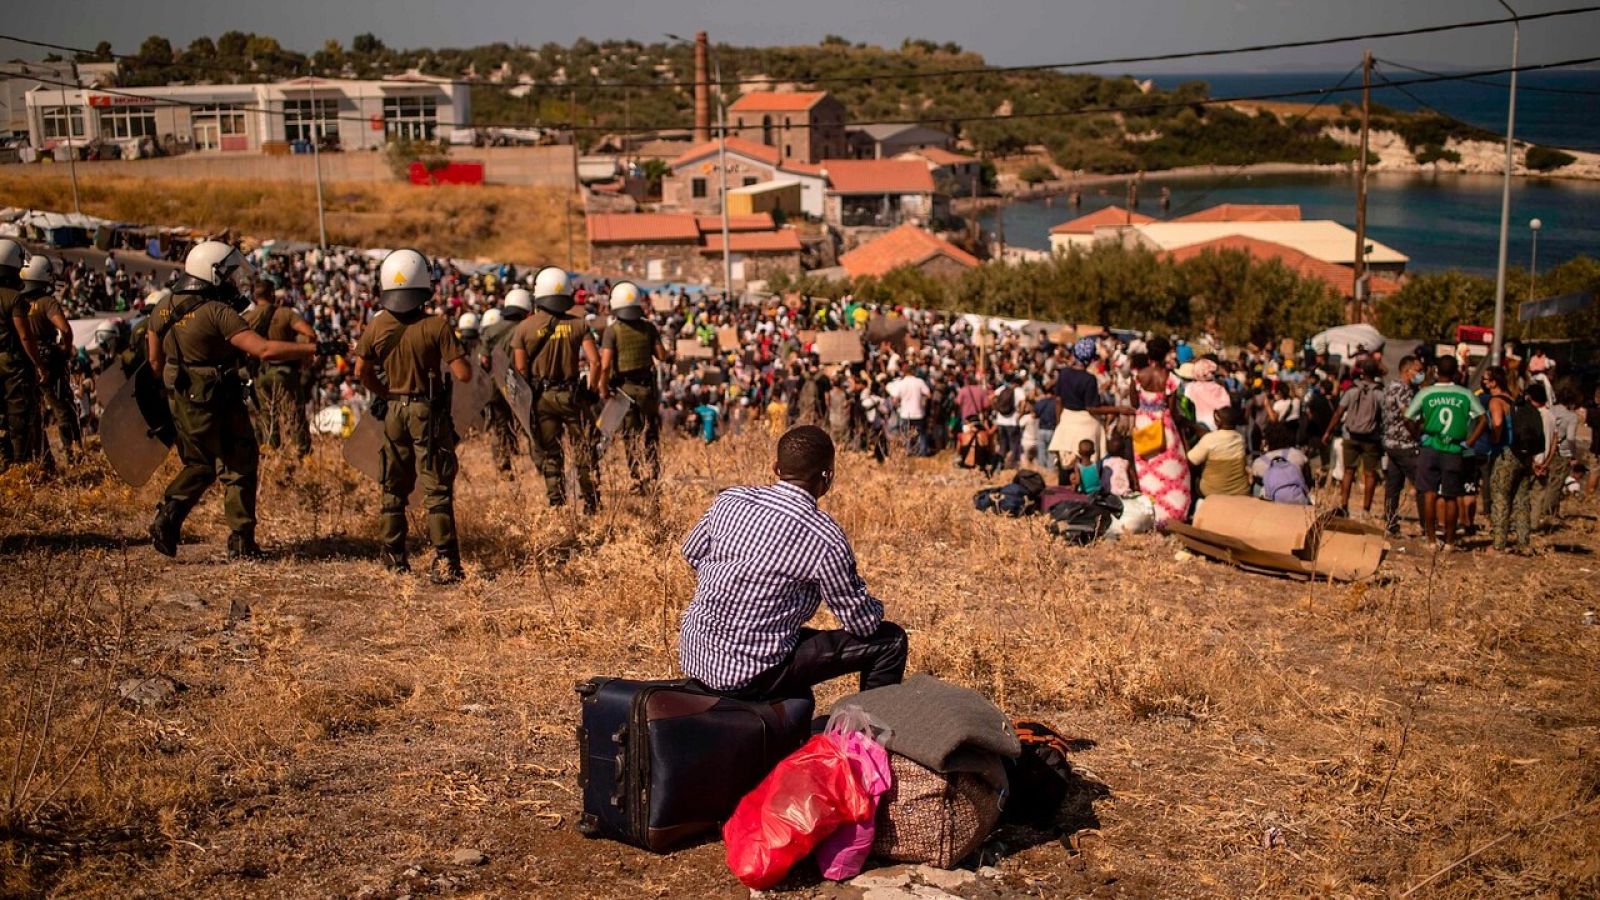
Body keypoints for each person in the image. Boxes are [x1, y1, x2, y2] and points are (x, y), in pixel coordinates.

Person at [678, 425, 907, 699]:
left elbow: (692, 553)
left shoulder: (729, 500)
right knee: (891, 640)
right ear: (827, 476)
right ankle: (870, 724)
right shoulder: (824, 536)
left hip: (696, 655)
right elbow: (861, 623)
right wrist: (876, 607)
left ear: (776, 468)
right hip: (754, 673)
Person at [147, 240, 323, 561]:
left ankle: (168, 515)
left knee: (199, 464)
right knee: (240, 463)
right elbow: (264, 350)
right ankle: (241, 540)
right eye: (228, 274)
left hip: (181, 400)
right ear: (212, 273)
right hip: (219, 398)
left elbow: (155, 362)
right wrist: (313, 349)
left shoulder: (162, 307)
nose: (232, 280)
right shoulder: (218, 312)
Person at [353, 248, 473, 582]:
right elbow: (463, 374)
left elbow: (361, 371)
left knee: (393, 484)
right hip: (427, 411)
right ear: (423, 283)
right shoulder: (436, 325)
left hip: (394, 410)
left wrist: (385, 392)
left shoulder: (376, 325)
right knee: (436, 487)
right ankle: (446, 562)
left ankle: (394, 557)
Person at [512, 266, 600, 512]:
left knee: (551, 452)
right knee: (583, 449)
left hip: (541, 398)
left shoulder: (524, 329)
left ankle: (556, 501)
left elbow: (520, 369)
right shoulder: (579, 325)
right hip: (571, 397)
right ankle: (590, 501)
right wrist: (591, 390)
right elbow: (595, 362)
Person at [1405, 355, 1485, 550]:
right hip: (1454, 449)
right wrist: (1470, 442)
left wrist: (1417, 436)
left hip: (1430, 447)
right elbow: (1483, 419)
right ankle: (1450, 541)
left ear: (1436, 371)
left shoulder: (1426, 393)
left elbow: (1407, 418)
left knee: (1429, 494)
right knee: (1451, 496)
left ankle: (1431, 540)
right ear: (1456, 372)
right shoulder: (1465, 394)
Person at [598, 281, 668, 491]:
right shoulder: (648, 327)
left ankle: (636, 477)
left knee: (630, 436)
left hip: (624, 391)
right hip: (646, 389)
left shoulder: (612, 331)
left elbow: (606, 364)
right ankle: (654, 473)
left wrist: (603, 388)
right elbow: (661, 355)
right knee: (651, 432)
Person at [18, 255, 81, 464]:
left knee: (34, 411)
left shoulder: (21, 303)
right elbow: (65, 329)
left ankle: (41, 459)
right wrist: (65, 348)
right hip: (50, 360)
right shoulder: (47, 302)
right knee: (63, 408)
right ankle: (72, 453)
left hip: (28, 359)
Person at [243, 280, 316, 457]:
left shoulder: (248, 317)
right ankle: (302, 453)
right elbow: (310, 333)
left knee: (267, 415)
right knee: (295, 413)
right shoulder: (285, 313)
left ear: (255, 296)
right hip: (284, 371)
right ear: (272, 294)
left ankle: (271, 453)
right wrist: (305, 357)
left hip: (260, 373)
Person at [1131, 337, 1191, 525]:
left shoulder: (1138, 376)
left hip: (1143, 425)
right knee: (1171, 468)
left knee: (1146, 469)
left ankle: (1151, 511)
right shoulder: (1170, 378)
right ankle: (1173, 512)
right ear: (1165, 354)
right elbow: (1172, 410)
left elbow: (1134, 402)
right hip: (1163, 426)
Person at [0, 240, 47, 468]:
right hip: (11, 363)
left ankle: (3, 459)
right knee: (18, 412)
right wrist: (38, 364)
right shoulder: (14, 298)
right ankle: (19, 463)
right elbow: (25, 336)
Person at [1322, 359, 1385, 518]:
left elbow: (1339, 412)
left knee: (1348, 471)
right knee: (1370, 474)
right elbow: (1385, 415)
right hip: (1371, 438)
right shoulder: (1379, 393)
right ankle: (1366, 510)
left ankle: (1344, 505)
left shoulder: (1352, 390)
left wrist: (1328, 432)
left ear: (1361, 372)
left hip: (1350, 436)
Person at [479, 289, 532, 475]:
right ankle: (539, 462)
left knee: (500, 425)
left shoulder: (491, 330)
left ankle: (503, 463)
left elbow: (484, 360)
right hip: (522, 384)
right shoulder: (528, 328)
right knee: (529, 425)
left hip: (496, 385)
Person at [1381, 355, 1423, 535]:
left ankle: (1391, 523)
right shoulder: (1405, 390)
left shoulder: (1390, 386)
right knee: (1421, 484)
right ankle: (1427, 525)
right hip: (1405, 444)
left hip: (1390, 442)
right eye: (1418, 371)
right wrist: (1417, 434)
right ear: (1407, 370)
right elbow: (1408, 417)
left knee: (1393, 485)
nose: (1420, 374)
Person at [1186, 406, 1251, 499]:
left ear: (1218, 422)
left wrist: (1183, 440)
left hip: (1212, 492)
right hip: (1240, 491)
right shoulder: (1240, 439)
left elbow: (1189, 462)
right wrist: (1193, 426)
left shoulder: (1209, 439)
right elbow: (1217, 438)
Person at [1252, 422, 1312, 505]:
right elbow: (1308, 479)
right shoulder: (1298, 454)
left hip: (1274, 501)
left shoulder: (1259, 462)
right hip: (1299, 499)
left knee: (1257, 486)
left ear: (1266, 441)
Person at [886, 368, 931, 457]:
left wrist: (898, 404)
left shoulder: (901, 383)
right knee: (921, 433)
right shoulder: (919, 382)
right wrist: (922, 402)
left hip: (905, 413)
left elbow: (894, 399)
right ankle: (922, 452)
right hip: (918, 413)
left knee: (906, 434)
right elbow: (929, 395)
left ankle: (908, 451)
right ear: (913, 373)